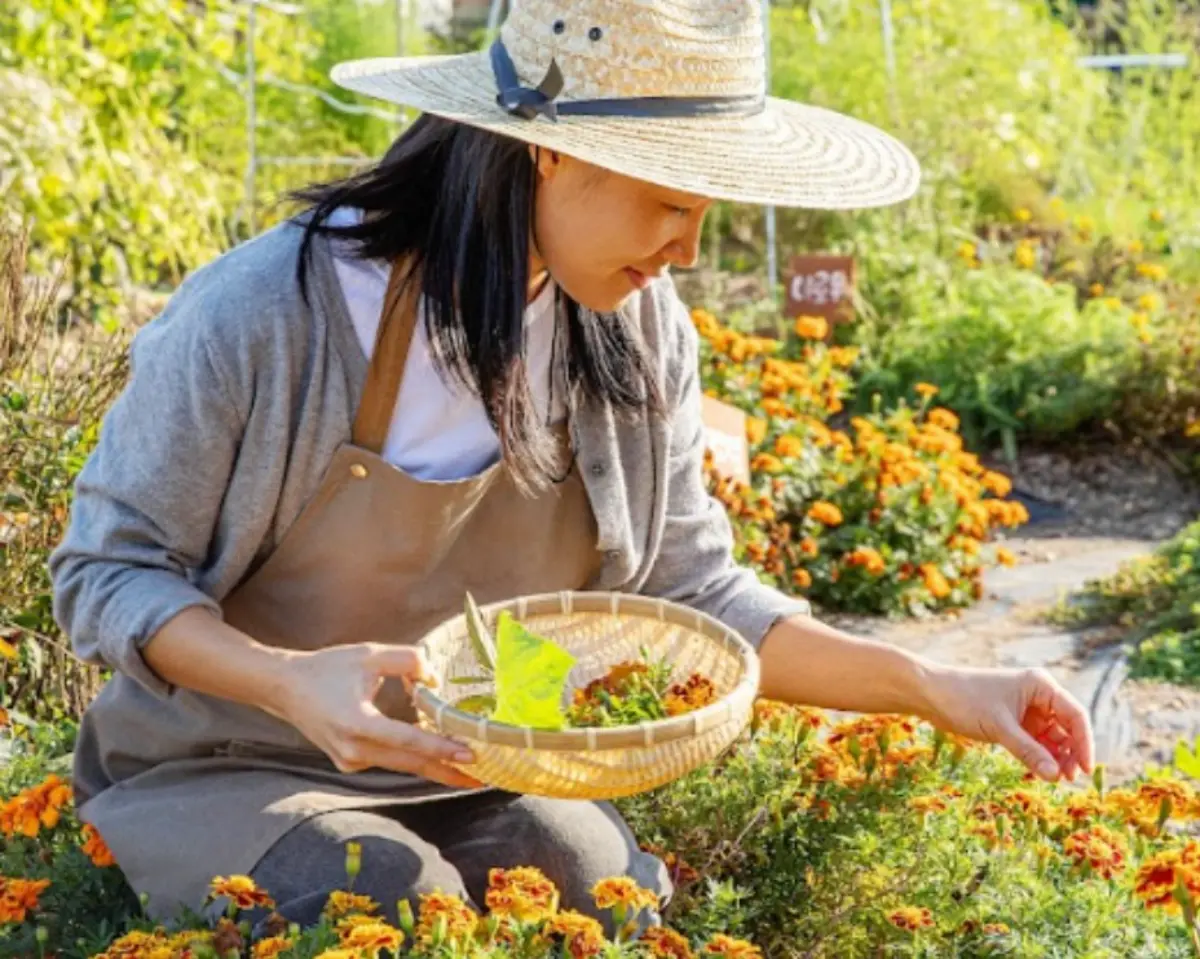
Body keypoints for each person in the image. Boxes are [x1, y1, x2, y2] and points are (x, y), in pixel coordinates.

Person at [49, 0, 1095, 935]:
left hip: (483, 762)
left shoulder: (636, 329)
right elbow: (109, 571)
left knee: (592, 882)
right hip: (234, 756)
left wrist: (940, 686)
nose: (687, 248)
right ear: (546, 152)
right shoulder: (270, 314)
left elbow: (694, 592)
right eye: (670, 200)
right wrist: (288, 680)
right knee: (385, 898)